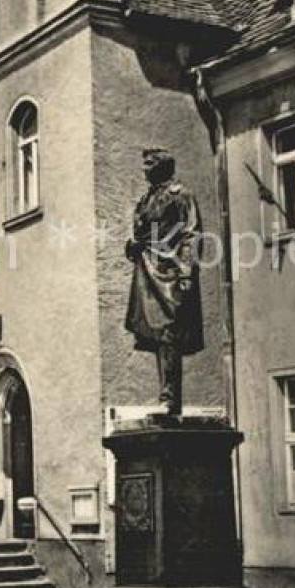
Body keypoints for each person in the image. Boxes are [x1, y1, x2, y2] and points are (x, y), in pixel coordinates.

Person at [125, 147, 204, 415]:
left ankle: (170, 399)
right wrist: (133, 246)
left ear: (162, 166)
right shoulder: (147, 198)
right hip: (148, 269)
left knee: (170, 333)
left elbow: (191, 234)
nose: (144, 169)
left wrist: (186, 272)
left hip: (170, 271)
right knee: (158, 336)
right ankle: (165, 397)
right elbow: (143, 233)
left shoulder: (181, 195)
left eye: (149, 164)